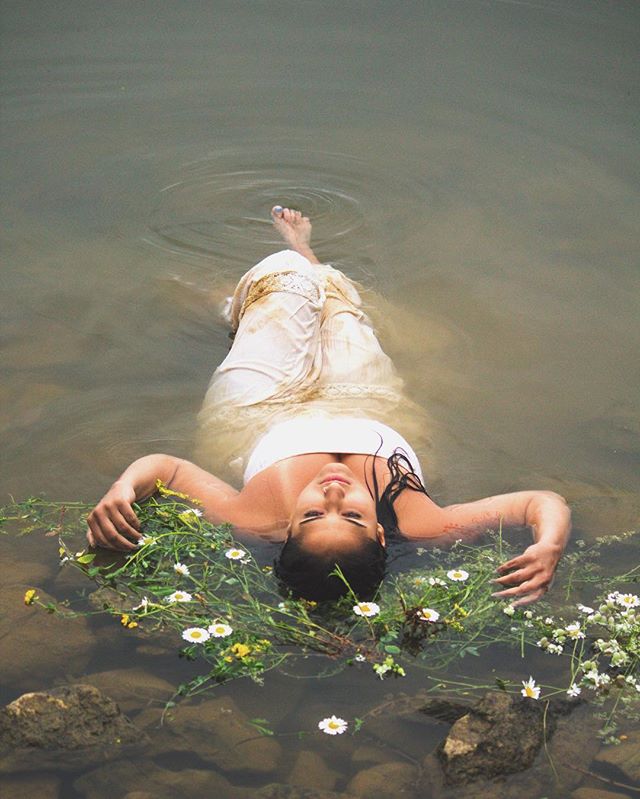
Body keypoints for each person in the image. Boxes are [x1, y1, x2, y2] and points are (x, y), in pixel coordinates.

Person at [87, 206, 571, 605]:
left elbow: (167, 471)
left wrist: (125, 486)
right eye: (354, 517)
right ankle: (309, 254)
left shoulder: (251, 520)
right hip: (372, 406)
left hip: (258, 414)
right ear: (382, 536)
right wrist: (549, 543)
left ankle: (247, 296)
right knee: (341, 302)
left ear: (287, 529)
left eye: (314, 516)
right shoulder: (426, 525)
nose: (333, 496)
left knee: (282, 282)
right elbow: (539, 502)